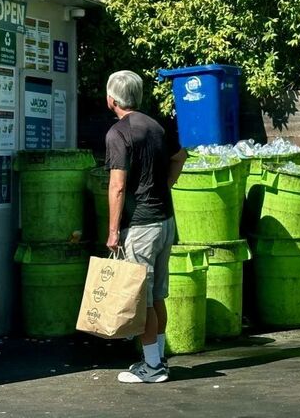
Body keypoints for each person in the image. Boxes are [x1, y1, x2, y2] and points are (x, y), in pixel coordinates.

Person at [103, 70, 187, 384]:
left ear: (111, 99)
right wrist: (164, 187)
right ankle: (157, 359)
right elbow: (180, 157)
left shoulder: (118, 134)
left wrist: (113, 231)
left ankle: (152, 368)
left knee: (143, 301)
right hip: (166, 220)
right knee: (158, 295)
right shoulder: (157, 126)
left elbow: (117, 187)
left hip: (140, 227)